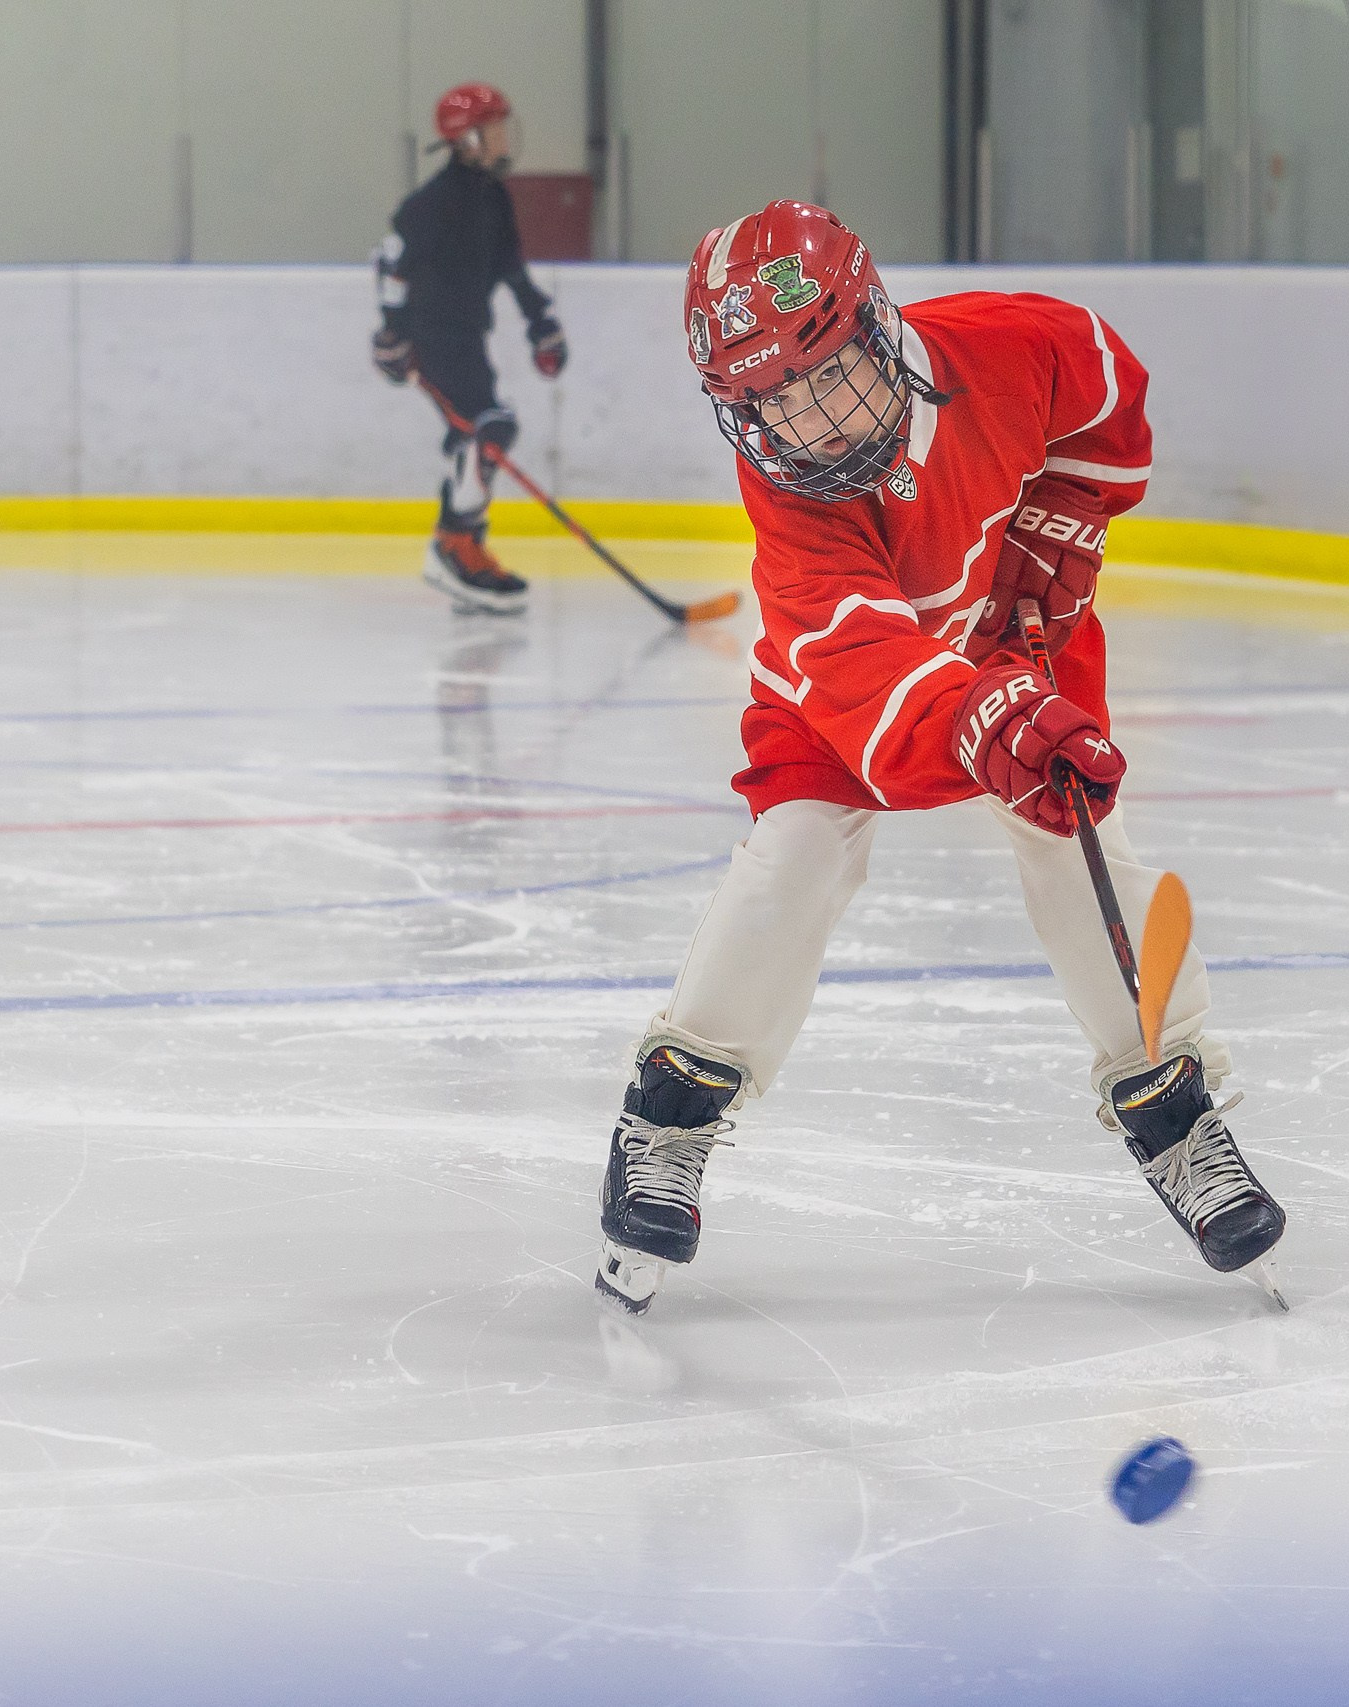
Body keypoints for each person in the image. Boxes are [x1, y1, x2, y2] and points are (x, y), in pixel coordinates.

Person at [592, 200, 1287, 1313]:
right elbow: (857, 664)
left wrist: (1066, 518)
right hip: (853, 699)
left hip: (1019, 641)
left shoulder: (1007, 347)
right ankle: (668, 1113)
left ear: (876, 325)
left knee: (1079, 836)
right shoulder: (794, 501)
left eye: (824, 380)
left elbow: (1107, 386)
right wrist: (981, 716)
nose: (810, 426)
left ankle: (1172, 1104)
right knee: (797, 856)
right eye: (770, 404)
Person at [369, 81, 567, 616]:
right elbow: (393, 263)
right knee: (489, 429)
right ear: (469, 138)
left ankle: (464, 548)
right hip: (430, 344)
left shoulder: (491, 198)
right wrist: (392, 334)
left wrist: (539, 323)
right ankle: (452, 546)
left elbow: (510, 268)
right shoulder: (431, 204)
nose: (506, 139)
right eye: (496, 128)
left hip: (467, 341)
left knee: (474, 437)